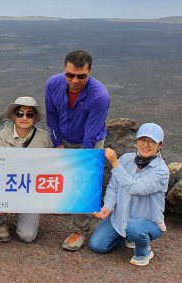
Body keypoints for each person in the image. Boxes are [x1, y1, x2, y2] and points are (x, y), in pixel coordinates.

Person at [44, 49, 110, 251]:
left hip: (87, 141)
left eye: (81, 76)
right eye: (70, 75)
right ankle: (66, 204)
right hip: (62, 136)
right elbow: (51, 115)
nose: (74, 80)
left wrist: (82, 159)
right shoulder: (53, 84)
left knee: (83, 179)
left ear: (89, 72)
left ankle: (81, 230)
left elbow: (91, 134)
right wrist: (57, 144)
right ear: (64, 70)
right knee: (60, 173)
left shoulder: (99, 95)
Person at [89, 123, 170, 267]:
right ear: (137, 141)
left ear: (160, 145)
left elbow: (136, 188)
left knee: (134, 228)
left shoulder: (161, 171)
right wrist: (108, 206)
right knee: (97, 246)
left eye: (152, 141)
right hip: (121, 216)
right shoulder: (126, 158)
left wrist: (115, 163)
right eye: (142, 139)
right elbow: (113, 187)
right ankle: (128, 237)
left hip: (147, 222)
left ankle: (144, 251)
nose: (146, 144)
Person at [0, 96, 51, 242]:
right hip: (7, 183)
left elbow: (51, 166)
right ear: (13, 116)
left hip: (30, 188)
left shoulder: (44, 138)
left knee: (27, 236)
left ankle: (21, 215)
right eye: (20, 113)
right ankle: (1, 222)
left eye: (29, 114)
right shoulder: (1, 137)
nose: (24, 117)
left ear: (35, 118)